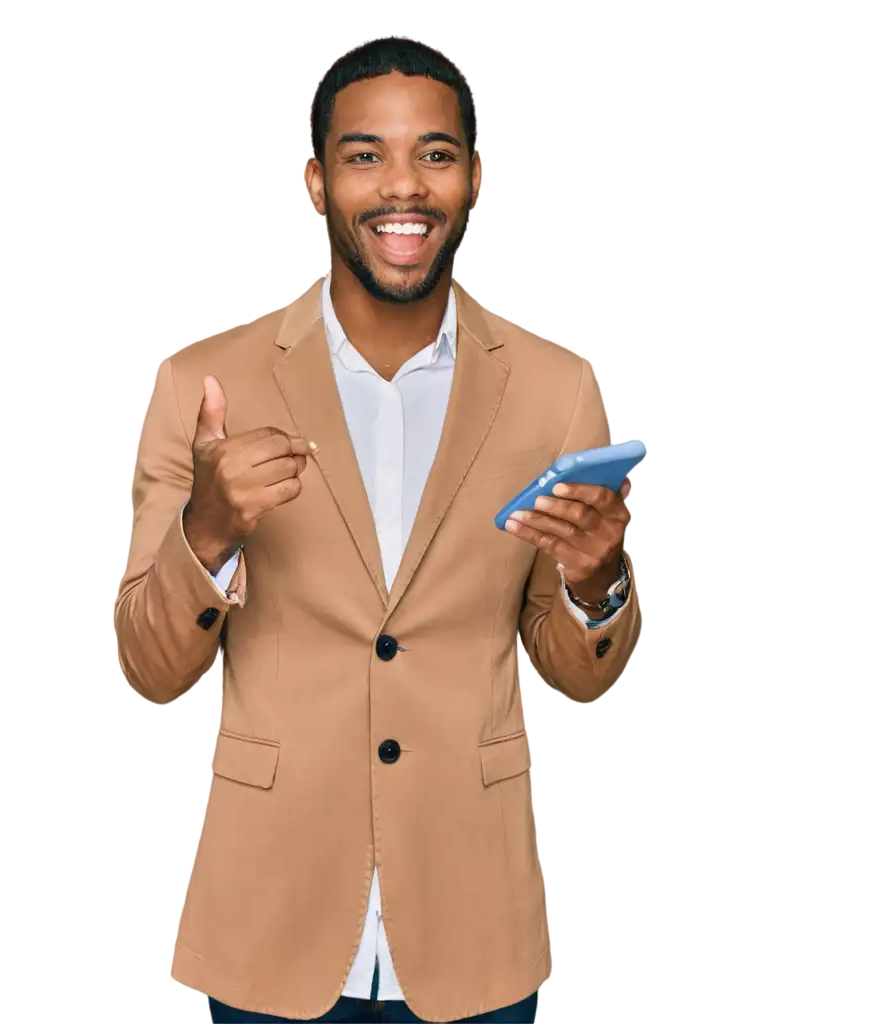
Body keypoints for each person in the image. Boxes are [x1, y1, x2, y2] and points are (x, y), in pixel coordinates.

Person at [114, 37, 637, 1024]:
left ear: (473, 179)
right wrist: (208, 529)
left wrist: (595, 582)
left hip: (472, 923)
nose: (405, 186)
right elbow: (148, 667)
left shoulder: (555, 389)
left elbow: (577, 669)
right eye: (365, 155)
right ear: (315, 184)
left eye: (436, 154)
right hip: (272, 922)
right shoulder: (203, 381)